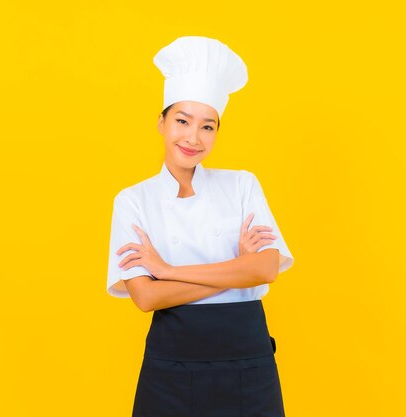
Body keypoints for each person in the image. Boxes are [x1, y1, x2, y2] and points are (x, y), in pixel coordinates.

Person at [106, 36, 294, 417]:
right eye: (181, 121)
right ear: (161, 122)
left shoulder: (242, 185)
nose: (193, 137)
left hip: (247, 361)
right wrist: (238, 272)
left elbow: (266, 268)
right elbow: (146, 298)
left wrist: (167, 272)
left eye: (207, 127)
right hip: (171, 365)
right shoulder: (133, 201)